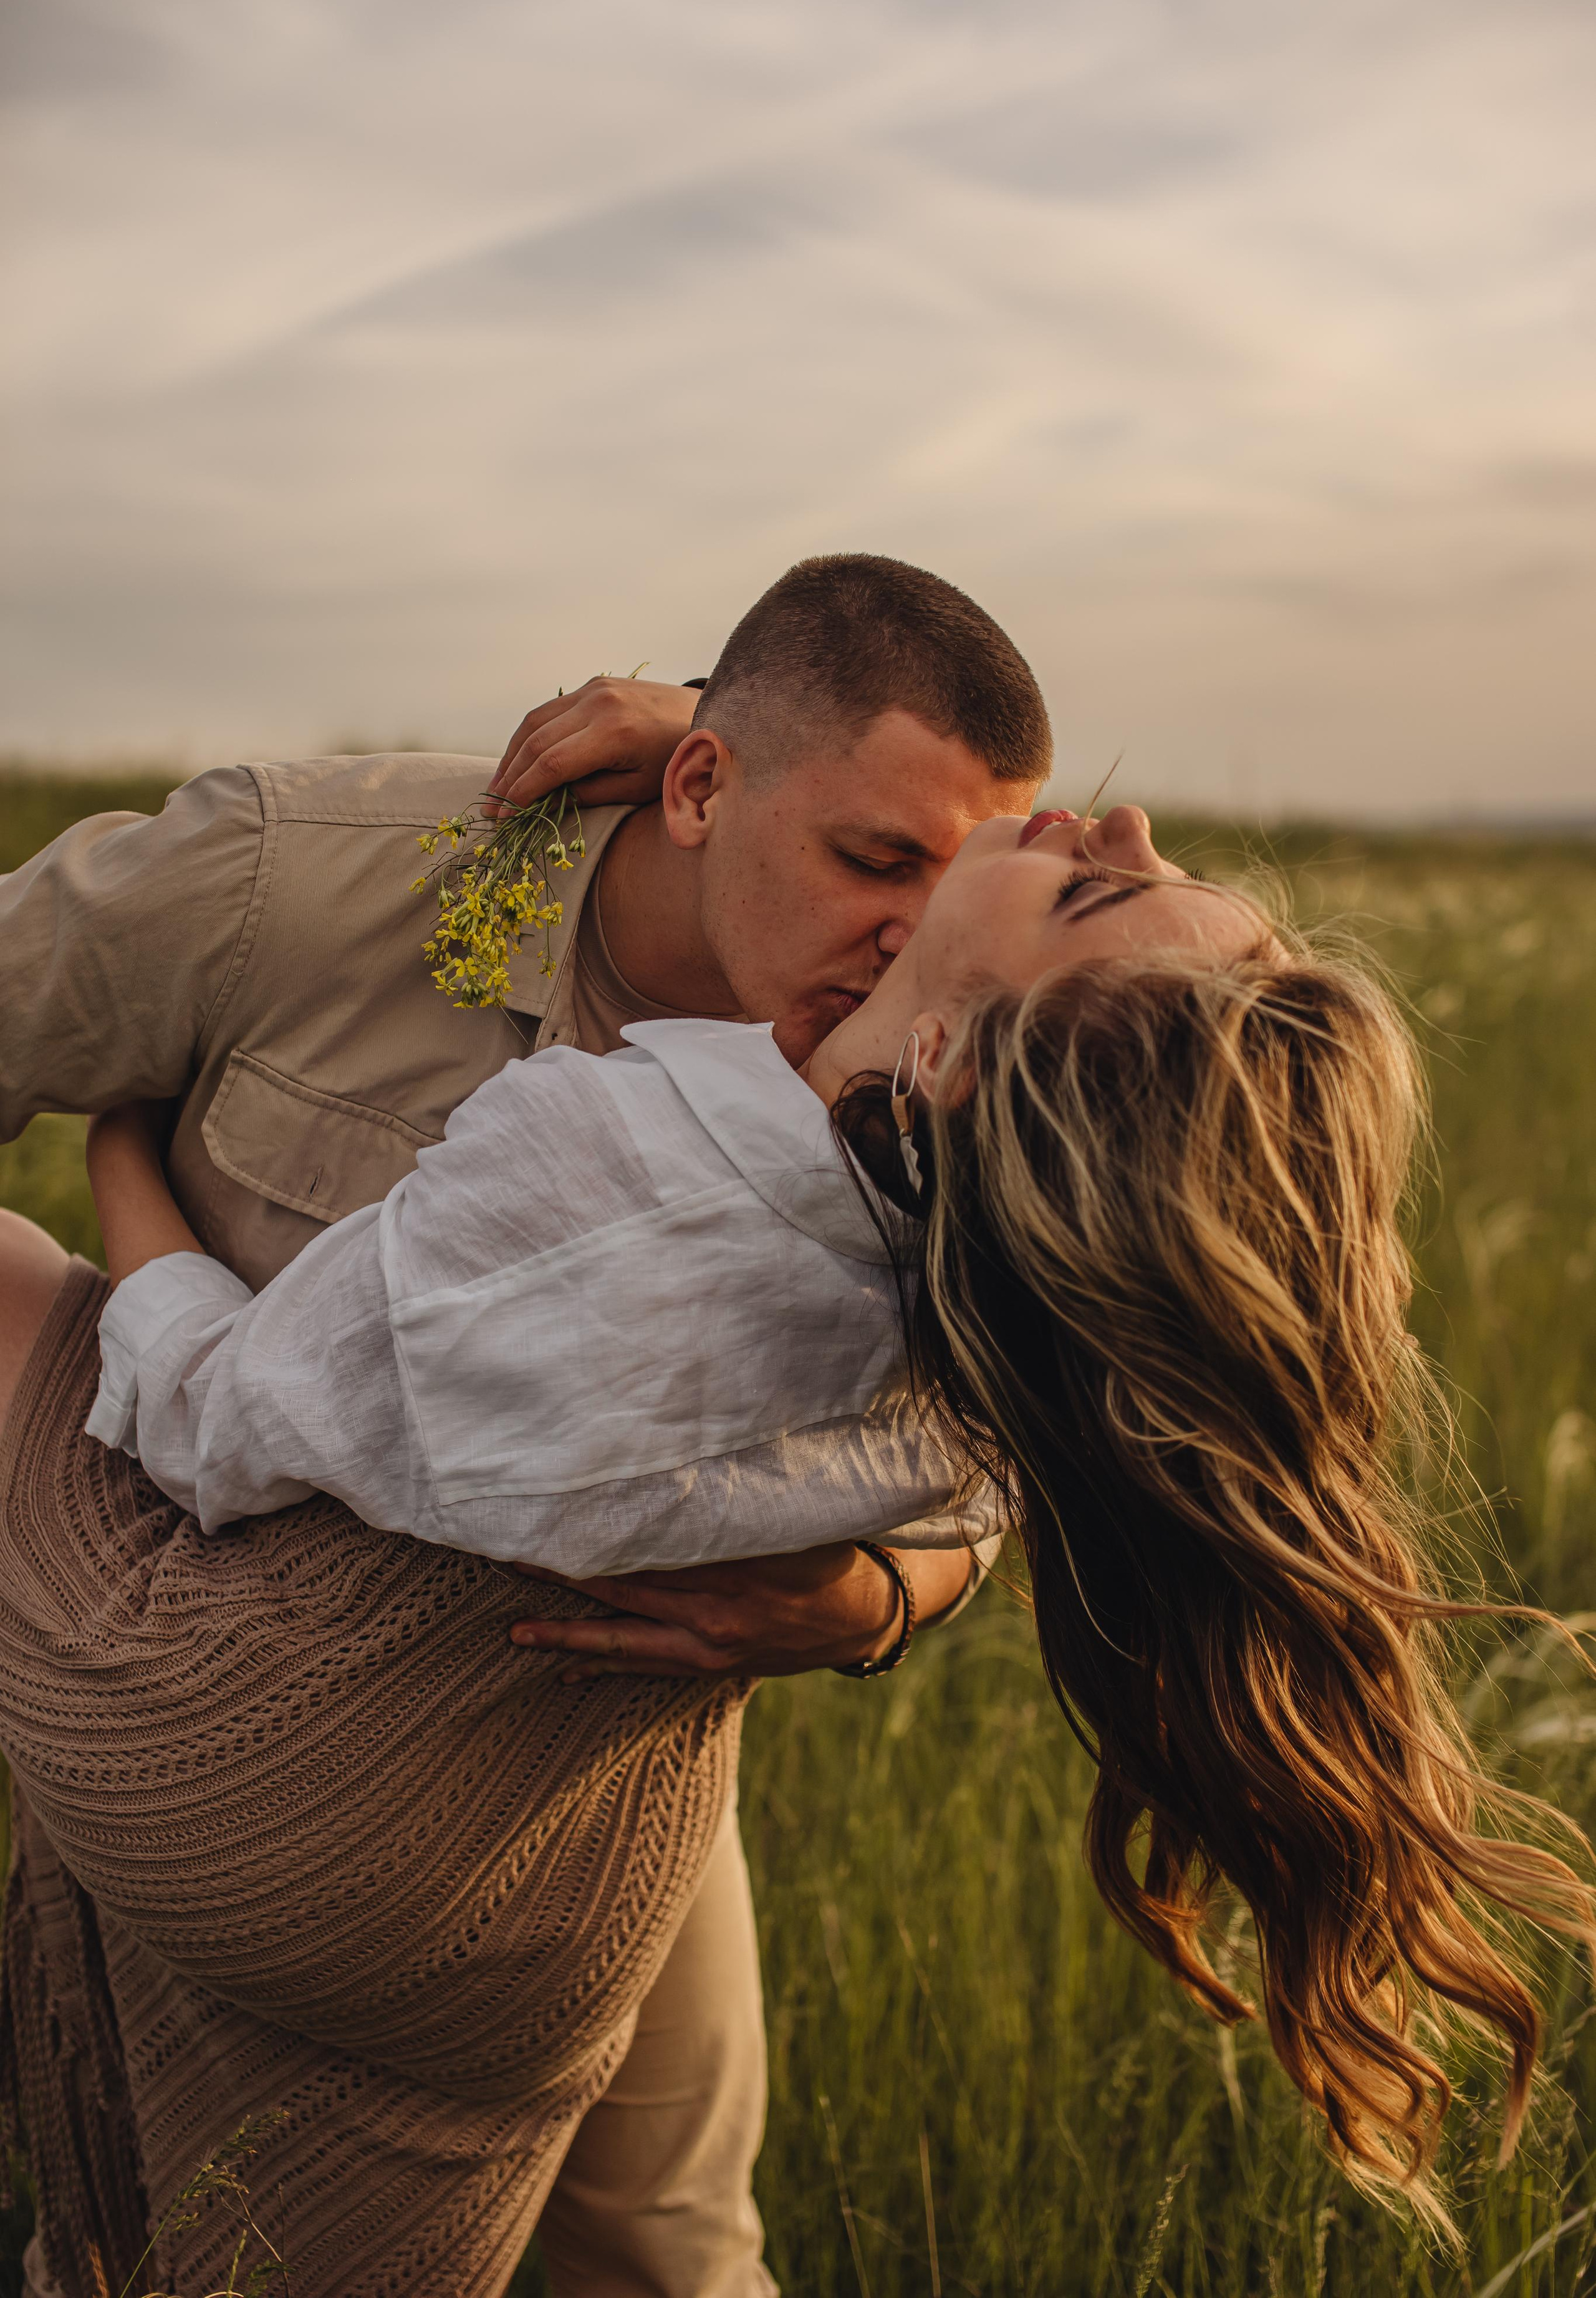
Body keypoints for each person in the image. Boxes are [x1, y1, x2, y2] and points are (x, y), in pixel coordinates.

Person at [15, 799, 1590, 2265]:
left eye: (1092, 889)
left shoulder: (625, 1177)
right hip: (573, 1885)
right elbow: (1009, 1479)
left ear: (945, 1054)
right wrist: (888, 1593)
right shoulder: (997, 1297)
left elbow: (205, 1415)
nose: (1116, 815)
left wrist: (127, 1143)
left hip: (268, 1780)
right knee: (676, 2255)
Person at [0, 555, 1051, 2297]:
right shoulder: (299, 883)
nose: (913, 934)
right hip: (209, 1681)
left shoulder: (938, 1048)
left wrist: (879, 1597)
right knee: (141, 2221)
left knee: (672, 2253)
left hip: (590, 1757)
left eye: (959, 881)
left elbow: (998, 1431)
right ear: (698, 785)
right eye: (876, 861)